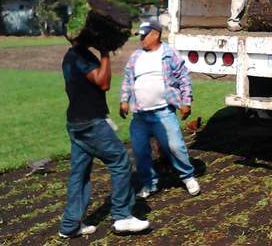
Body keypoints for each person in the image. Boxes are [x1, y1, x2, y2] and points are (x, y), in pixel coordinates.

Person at [59, 37, 150, 238]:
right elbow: (103, 82)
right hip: (92, 123)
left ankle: (69, 225)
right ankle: (122, 216)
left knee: (79, 173)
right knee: (120, 162)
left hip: (76, 122)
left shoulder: (70, 55)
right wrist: (105, 53)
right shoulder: (81, 56)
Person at [120, 21, 200, 199]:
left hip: (163, 112)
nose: (141, 39)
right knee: (140, 151)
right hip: (139, 115)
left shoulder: (168, 54)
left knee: (175, 146)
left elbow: (183, 78)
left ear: (155, 34)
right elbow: (127, 80)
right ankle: (149, 183)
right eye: (140, 36)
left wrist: (186, 102)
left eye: (144, 35)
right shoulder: (135, 56)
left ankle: (188, 177)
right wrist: (124, 101)